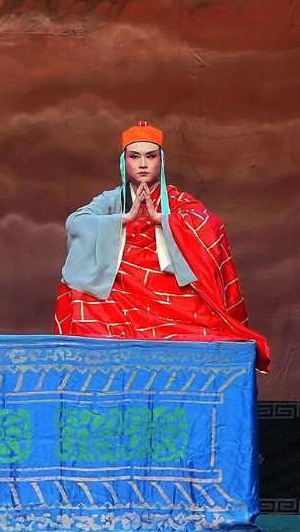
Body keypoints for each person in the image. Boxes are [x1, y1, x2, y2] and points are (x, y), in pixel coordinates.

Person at [55, 121, 271, 373]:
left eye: (150, 156)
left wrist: (163, 219)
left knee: (205, 319)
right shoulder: (112, 199)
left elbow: (211, 226)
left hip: (166, 282)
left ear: (161, 161)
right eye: (135, 157)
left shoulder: (176, 199)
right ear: (124, 162)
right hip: (122, 284)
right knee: (78, 294)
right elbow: (76, 222)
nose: (143, 164)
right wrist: (123, 219)